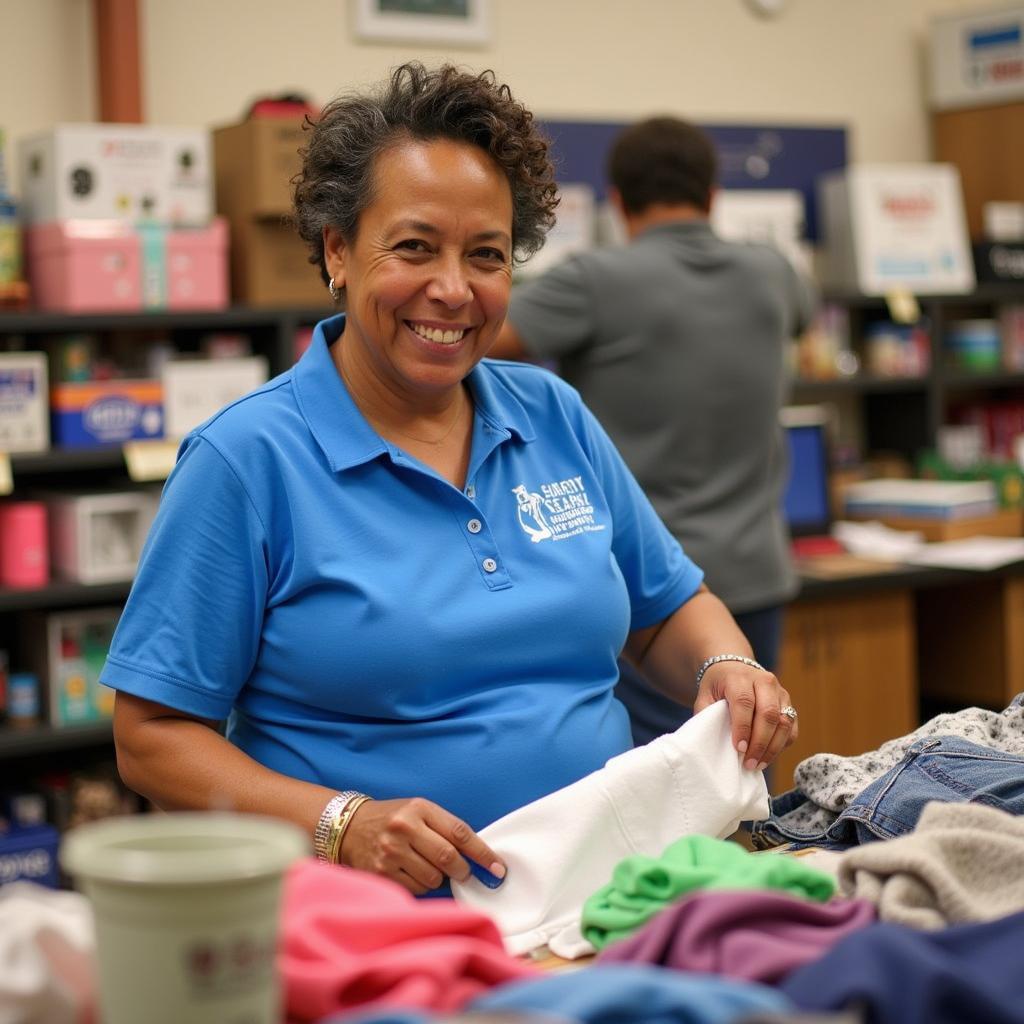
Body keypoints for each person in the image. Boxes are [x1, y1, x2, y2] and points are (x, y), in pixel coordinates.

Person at [105, 65, 797, 898]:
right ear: (337, 249)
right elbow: (150, 737)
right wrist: (341, 822)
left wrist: (723, 663)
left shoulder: (552, 413)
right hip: (389, 923)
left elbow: (664, 609)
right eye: (413, 247)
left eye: (487, 256)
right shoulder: (248, 460)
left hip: (606, 891)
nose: (453, 290)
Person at [491, 116, 816, 746]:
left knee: (652, 800)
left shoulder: (594, 280)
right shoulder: (775, 273)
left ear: (618, 200)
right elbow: (801, 316)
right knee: (745, 775)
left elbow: (470, 338)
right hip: (757, 573)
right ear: (713, 195)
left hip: (643, 594)